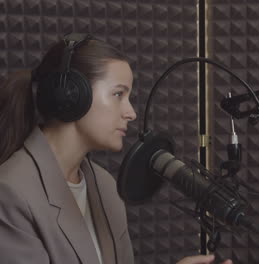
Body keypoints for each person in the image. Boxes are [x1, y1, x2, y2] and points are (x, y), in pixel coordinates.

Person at [0, 34, 231, 264]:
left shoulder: (104, 185)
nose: (131, 113)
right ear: (71, 94)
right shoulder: (11, 193)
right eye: (118, 94)